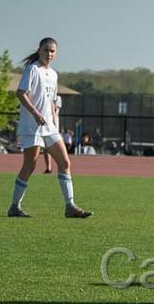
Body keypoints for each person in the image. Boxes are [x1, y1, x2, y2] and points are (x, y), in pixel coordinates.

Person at [7, 37, 92, 218]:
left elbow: (53, 101)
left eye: (52, 51)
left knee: (65, 162)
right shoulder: (32, 69)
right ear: (39, 50)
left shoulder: (53, 74)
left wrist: (54, 120)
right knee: (29, 166)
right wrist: (36, 114)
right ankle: (14, 206)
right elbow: (20, 93)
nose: (49, 54)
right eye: (46, 50)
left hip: (49, 127)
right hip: (32, 126)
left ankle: (70, 206)